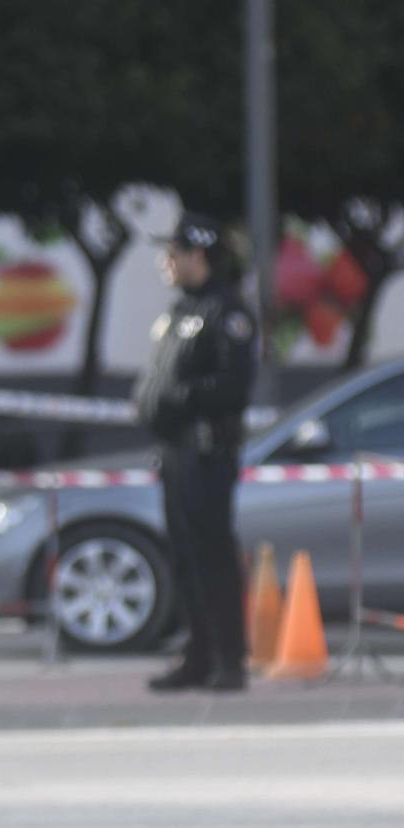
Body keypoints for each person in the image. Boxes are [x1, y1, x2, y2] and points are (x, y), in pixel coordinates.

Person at [132, 209, 256, 692]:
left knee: (212, 554)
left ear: (198, 255)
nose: (167, 261)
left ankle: (229, 660)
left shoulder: (227, 312)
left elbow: (233, 386)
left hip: (208, 452)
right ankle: (197, 656)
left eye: (174, 252)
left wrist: (175, 399)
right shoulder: (178, 312)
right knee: (183, 557)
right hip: (175, 451)